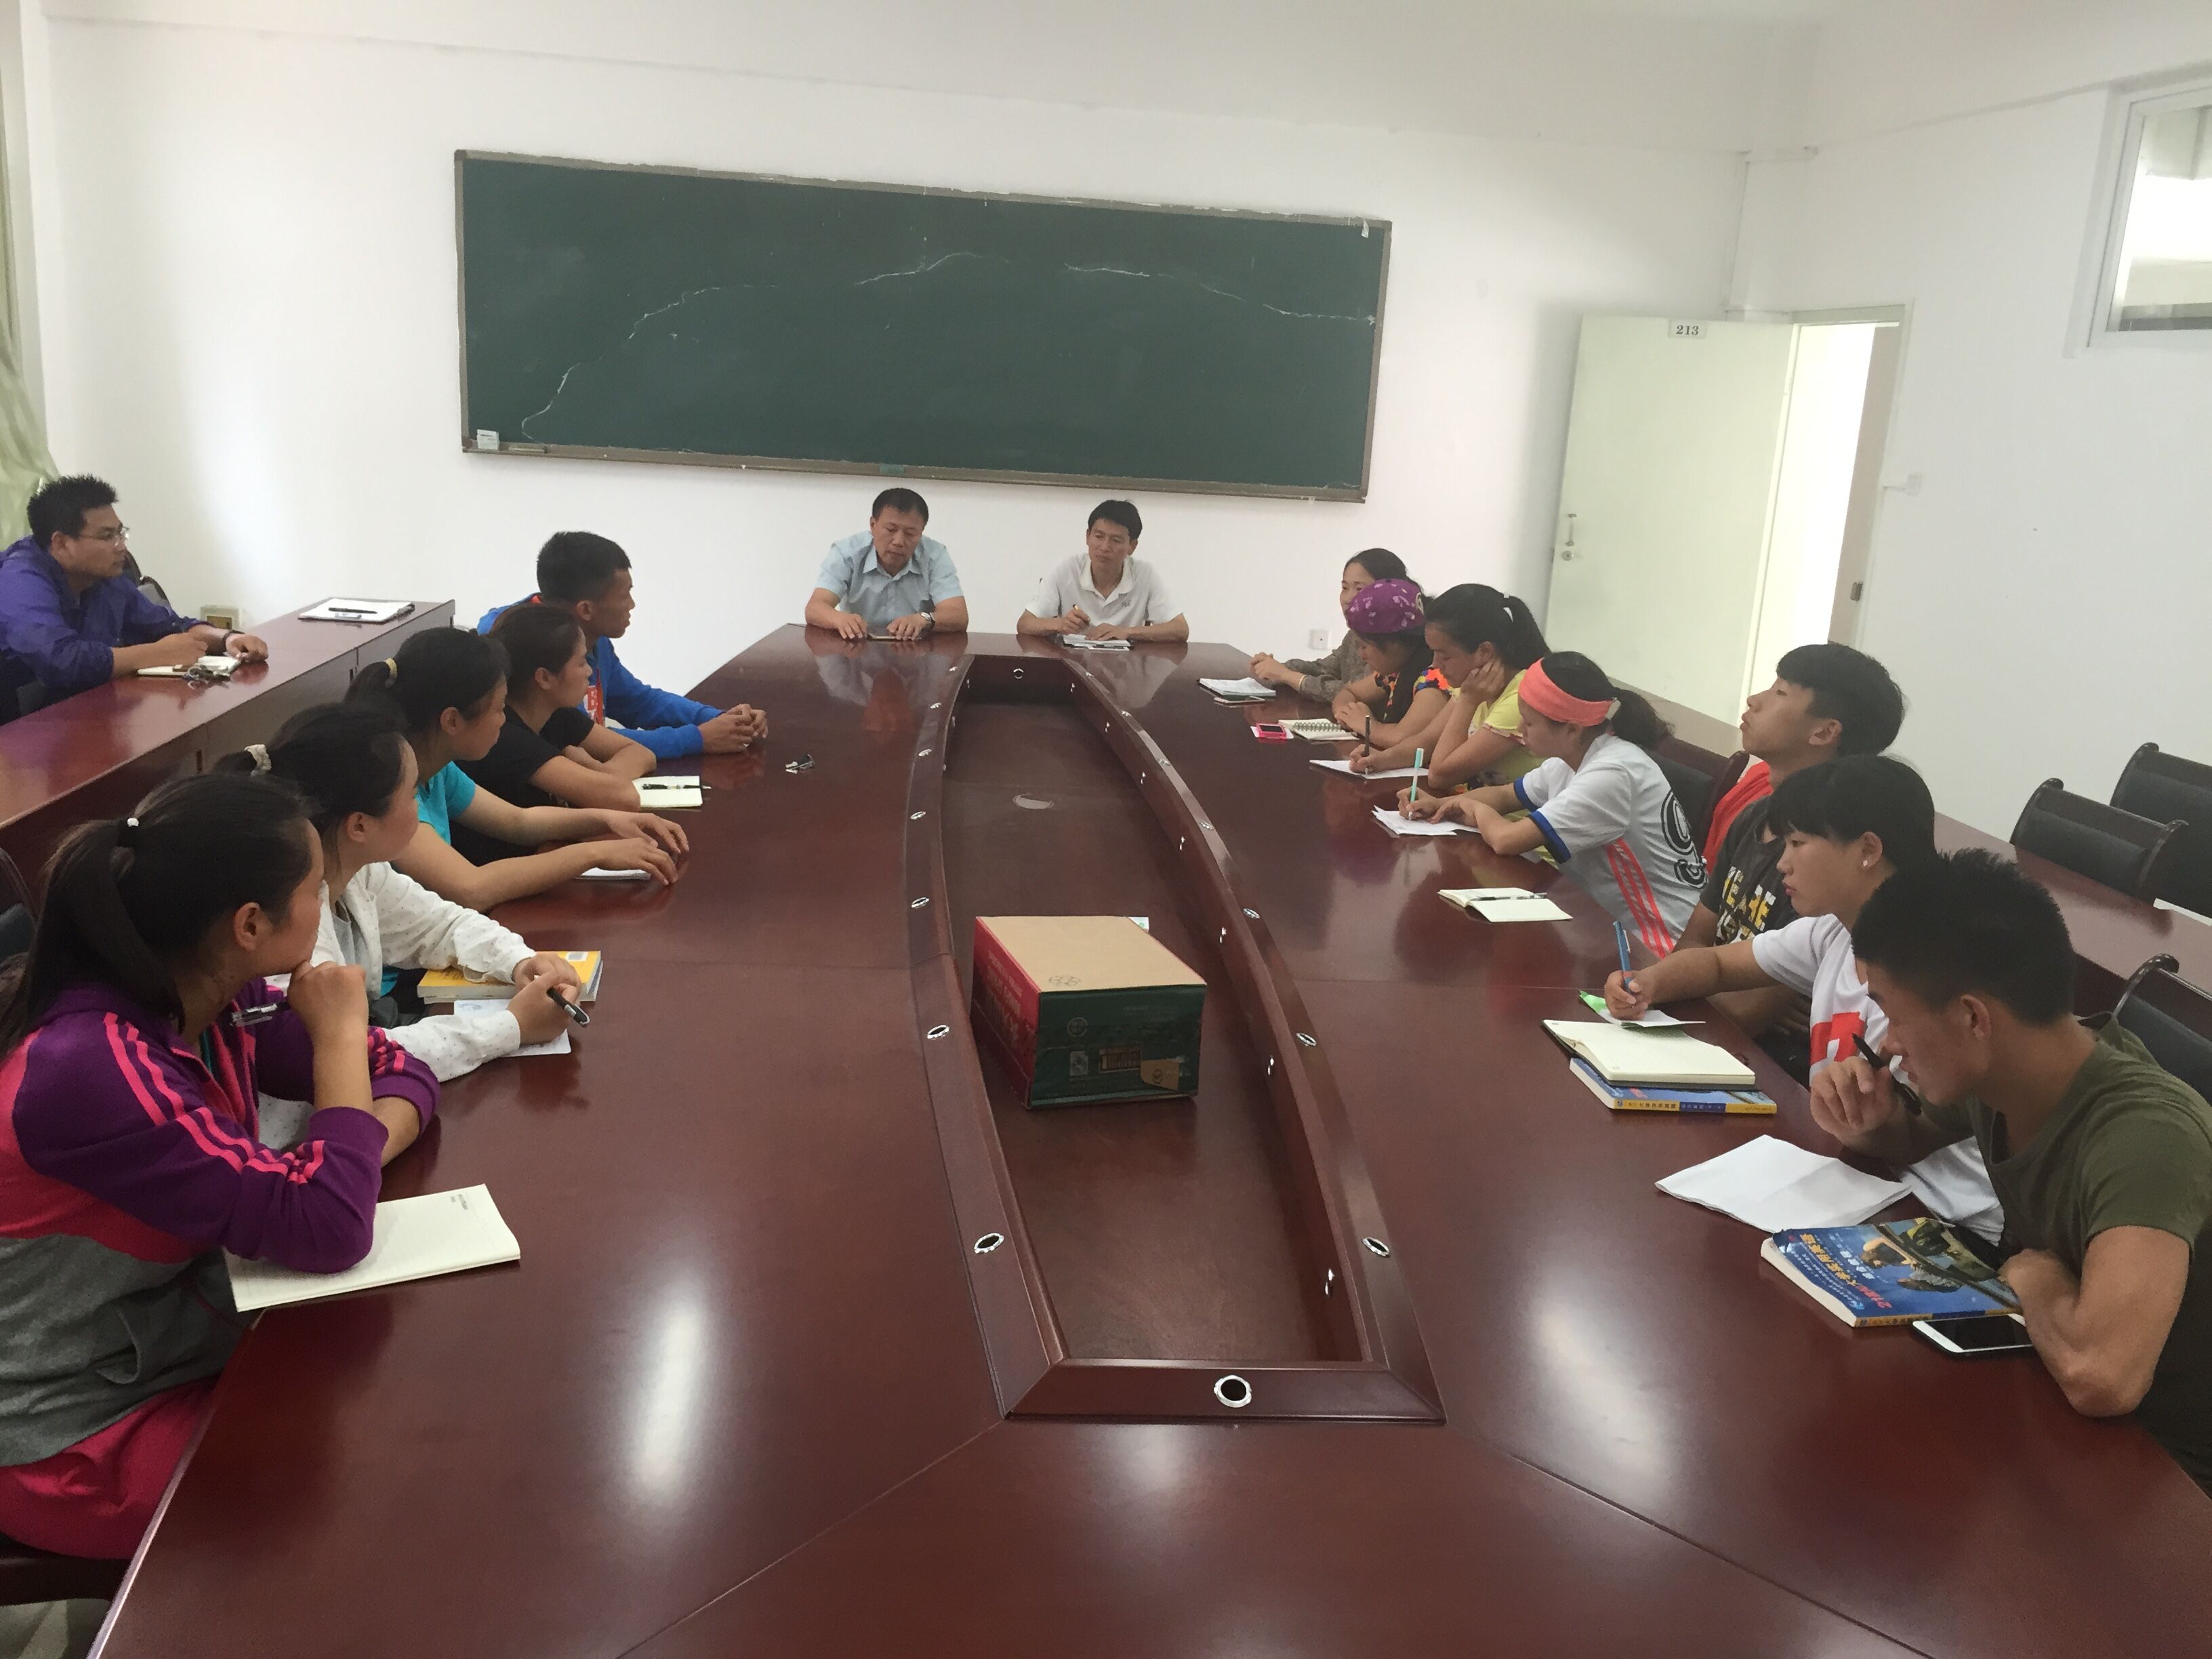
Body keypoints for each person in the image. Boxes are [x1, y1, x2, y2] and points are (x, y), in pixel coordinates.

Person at [0, 773, 438, 1558]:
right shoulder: (93, 1069)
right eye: (314, 890)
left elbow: (404, 1072)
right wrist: (341, 1045)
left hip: (172, 1342)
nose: (325, 905)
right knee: (352, 1497)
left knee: (397, 1401)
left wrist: (351, 1157)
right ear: (250, 924)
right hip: (69, 1426)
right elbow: (331, 1224)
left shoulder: (213, 996)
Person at [1825, 850, 2212, 1494]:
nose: (1887, 1042)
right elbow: (1911, 1138)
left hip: (2168, 1475)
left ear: (1972, 1017)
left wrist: (2035, 1279)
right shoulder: (2007, 1071)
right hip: (2056, 1403)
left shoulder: (2147, 1136)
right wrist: (1864, 1120)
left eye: (1893, 1013)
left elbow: (2103, 1376)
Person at [1602, 756, 2001, 1240]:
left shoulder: (1939, 964)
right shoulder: (1832, 931)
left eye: (1797, 843)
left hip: (1943, 1214)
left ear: (1867, 850)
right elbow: (1719, 964)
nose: (1782, 863)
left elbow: (1914, 1136)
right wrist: (1648, 983)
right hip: (1854, 1175)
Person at [218, 703, 582, 1080]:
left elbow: (442, 925)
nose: (418, 806)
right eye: (411, 795)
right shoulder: (289, 926)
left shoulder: (360, 873)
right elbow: (353, 1057)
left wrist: (519, 961)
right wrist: (511, 1028)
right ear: (359, 826)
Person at [1677, 643, 1906, 1070]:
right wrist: (1698, 979)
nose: (1754, 700)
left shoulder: (1830, 860)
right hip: (1717, 1033)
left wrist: (1698, 982)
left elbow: (1749, 1014)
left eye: (1781, 692)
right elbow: (1691, 944)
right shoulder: (1754, 814)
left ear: (1824, 732)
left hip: (1776, 1067)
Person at [346, 629, 687, 904]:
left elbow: (518, 821)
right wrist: (595, 853)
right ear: (452, 720)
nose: (503, 721)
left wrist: (607, 819)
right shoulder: (390, 791)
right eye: (498, 709)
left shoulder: (438, 769)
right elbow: (471, 887)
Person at [1407, 652, 1704, 953]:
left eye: (1530, 722)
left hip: (1660, 942)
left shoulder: (1611, 776)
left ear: (1572, 729)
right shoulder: (1571, 760)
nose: (1520, 729)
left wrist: (1474, 808)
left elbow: (1507, 840)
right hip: (1607, 926)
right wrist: (1441, 804)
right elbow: (1504, 796)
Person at [477, 531, 766, 760]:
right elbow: (587, 740)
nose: (632, 605)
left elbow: (638, 701)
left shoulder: (587, 634)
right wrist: (699, 738)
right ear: (586, 610)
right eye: (624, 595)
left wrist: (720, 719)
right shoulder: (521, 649)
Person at [0, 476, 268, 705]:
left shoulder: (105, 576)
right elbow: (59, 661)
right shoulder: (20, 577)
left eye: (121, 533)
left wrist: (228, 638)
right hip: (21, 729)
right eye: (107, 537)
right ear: (61, 543)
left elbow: (167, 626)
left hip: (87, 709)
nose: (121, 546)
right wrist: (155, 653)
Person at [468, 603, 658, 814]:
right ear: (544, 678)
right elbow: (623, 798)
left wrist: (597, 769)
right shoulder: (504, 737)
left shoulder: (553, 712)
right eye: (581, 662)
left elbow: (641, 753)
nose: (589, 671)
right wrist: (601, 777)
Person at [1361, 583, 1548, 785]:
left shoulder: (1520, 699)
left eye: (1445, 656)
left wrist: (1468, 702)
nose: (1434, 664)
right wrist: (1381, 760)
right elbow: (1426, 742)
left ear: (1484, 652)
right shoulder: (1473, 684)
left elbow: (1440, 776)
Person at [806, 487, 969, 641]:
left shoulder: (935, 556)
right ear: (873, 525)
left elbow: (958, 614)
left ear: (921, 532)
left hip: (917, 649)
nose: (899, 541)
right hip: (859, 648)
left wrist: (924, 619)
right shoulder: (847, 553)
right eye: (891, 530)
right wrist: (839, 619)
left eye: (910, 533)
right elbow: (815, 607)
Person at [1017, 499, 1187, 642]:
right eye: (1099, 537)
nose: (1105, 547)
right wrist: (1059, 624)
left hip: (1125, 666)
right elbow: (1025, 624)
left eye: (1116, 540)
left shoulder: (1145, 574)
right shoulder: (1066, 569)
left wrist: (1127, 632)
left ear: (1132, 546)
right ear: (1088, 536)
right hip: (1071, 664)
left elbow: (1180, 629)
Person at [1248, 549, 1408, 701]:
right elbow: (1325, 668)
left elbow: (1350, 691)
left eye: (1359, 589)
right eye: (1345, 588)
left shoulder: (1395, 645)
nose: (1348, 599)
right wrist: (1276, 668)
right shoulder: (1355, 634)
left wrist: (1286, 675)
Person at [1328, 578, 1440, 750]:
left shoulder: (1435, 678)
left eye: (1364, 646)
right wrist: (1345, 712)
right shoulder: (1394, 671)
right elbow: (1349, 692)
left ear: (1394, 644)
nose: (1361, 655)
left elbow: (1401, 738)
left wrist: (1366, 725)